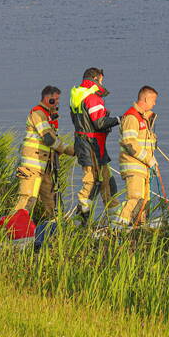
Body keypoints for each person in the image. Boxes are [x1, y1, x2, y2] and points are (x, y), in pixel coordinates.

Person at [13, 86, 74, 221]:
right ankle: (15, 230)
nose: (58, 102)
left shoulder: (47, 116)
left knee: (51, 201)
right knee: (27, 199)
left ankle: (54, 229)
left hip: (44, 167)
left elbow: (53, 140)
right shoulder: (38, 114)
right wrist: (70, 150)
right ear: (48, 98)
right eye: (56, 99)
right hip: (33, 167)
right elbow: (49, 139)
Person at [69, 67, 121, 224]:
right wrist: (119, 119)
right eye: (102, 80)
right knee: (92, 182)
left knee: (106, 181)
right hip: (92, 146)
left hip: (86, 144)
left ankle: (115, 221)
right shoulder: (92, 97)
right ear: (96, 78)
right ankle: (81, 220)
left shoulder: (78, 95)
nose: (102, 83)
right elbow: (99, 123)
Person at [116, 86, 159, 228]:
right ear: (146, 99)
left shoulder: (143, 118)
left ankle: (139, 228)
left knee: (143, 202)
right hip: (134, 166)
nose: (154, 104)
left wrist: (152, 161)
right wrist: (149, 159)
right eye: (153, 100)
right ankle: (117, 227)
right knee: (135, 199)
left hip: (143, 168)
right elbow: (130, 143)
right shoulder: (132, 117)